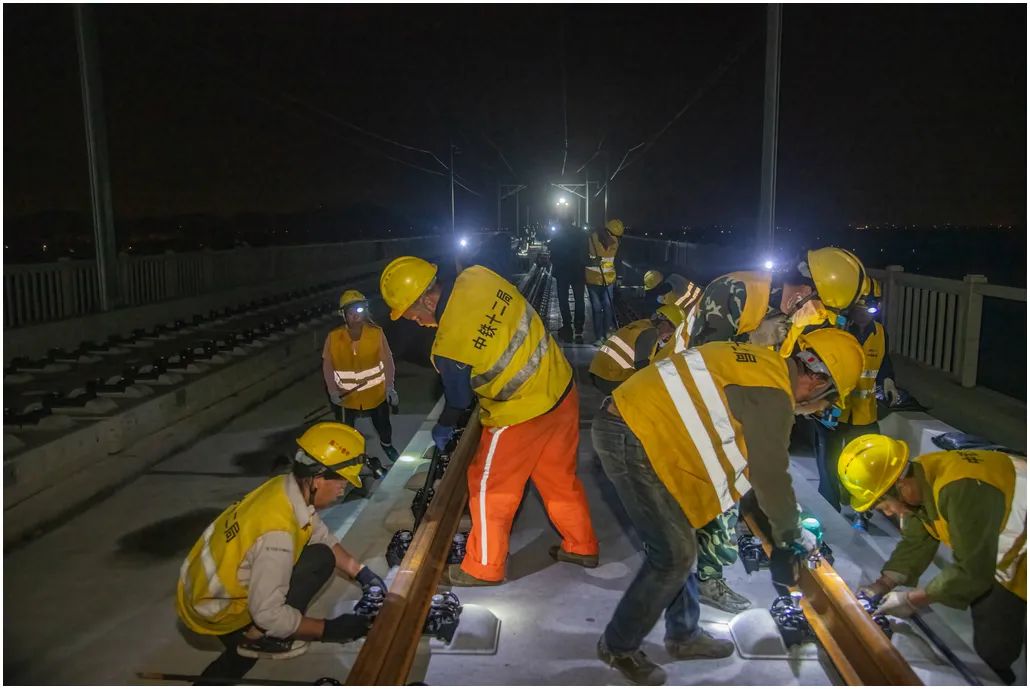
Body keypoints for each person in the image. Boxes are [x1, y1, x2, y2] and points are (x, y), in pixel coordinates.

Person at [591, 329, 864, 684]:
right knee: (672, 555)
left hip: (641, 432)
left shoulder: (762, 363)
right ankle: (617, 645)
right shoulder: (773, 393)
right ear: (815, 381)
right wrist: (790, 536)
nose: (814, 410)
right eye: (825, 401)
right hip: (632, 436)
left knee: (684, 537)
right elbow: (770, 475)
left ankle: (684, 635)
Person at [379, 256, 598, 585]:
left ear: (426, 299)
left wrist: (443, 427)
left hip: (520, 413)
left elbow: (459, 401)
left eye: (413, 314)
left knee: (487, 488)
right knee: (558, 480)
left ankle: (483, 567)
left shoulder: (448, 345)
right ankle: (582, 546)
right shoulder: (479, 275)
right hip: (561, 390)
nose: (417, 322)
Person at [177, 423, 386, 681]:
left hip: (201, 583)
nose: (344, 489)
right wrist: (328, 630)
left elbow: (317, 532)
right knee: (247, 653)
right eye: (342, 482)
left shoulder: (284, 486)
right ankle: (253, 646)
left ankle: (261, 636)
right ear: (319, 479)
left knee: (321, 556)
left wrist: (361, 573)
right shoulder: (277, 534)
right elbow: (268, 614)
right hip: (215, 607)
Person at [838, 436, 1027, 684]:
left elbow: (972, 571)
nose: (887, 512)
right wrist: (882, 585)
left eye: (884, 504)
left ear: (900, 484)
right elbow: (918, 538)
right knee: (992, 638)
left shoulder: (961, 489)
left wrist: (912, 599)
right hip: (1006, 551)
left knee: (994, 639)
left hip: (1021, 547)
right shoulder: (922, 478)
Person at [812, 279, 899, 529]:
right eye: (863, 307)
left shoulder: (880, 332)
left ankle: (863, 512)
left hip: (864, 413)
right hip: (831, 411)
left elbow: (884, 362)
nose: (868, 312)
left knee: (867, 463)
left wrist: (889, 381)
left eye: (873, 307)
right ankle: (828, 513)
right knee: (828, 463)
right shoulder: (834, 330)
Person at [687, 247, 867, 355]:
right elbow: (702, 362)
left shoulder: (789, 321)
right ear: (805, 292)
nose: (819, 319)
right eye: (821, 312)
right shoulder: (735, 291)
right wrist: (752, 341)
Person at [322, 290, 400, 463]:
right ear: (343, 314)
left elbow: (387, 361)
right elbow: (327, 365)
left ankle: (387, 445)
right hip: (345, 396)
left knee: (383, 425)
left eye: (359, 310)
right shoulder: (333, 338)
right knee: (345, 430)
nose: (355, 316)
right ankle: (347, 457)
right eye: (350, 312)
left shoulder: (376, 333)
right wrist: (332, 391)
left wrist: (390, 388)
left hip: (375, 394)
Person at [588, 304, 684, 395]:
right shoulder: (650, 333)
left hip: (600, 373)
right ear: (664, 323)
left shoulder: (643, 324)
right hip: (610, 379)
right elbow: (642, 366)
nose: (670, 335)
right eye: (672, 331)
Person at [548, 205, 588, 343]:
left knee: (563, 300)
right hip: (578, 271)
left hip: (562, 272)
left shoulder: (557, 235)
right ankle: (579, 327)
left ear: (560, 221)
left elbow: (552, 251)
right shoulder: (581, 233)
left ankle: (567, 326)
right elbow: (585, 251)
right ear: (572, 220)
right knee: (579, 300)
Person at [586, 218, 624, 345]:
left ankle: (607, 333)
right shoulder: (591, 239)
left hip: (609, 280)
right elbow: (582, 257)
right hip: (593, 280)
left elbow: (617, 260)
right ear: (607, 232)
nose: (615, 238)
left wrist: (619, 278)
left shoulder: (616, 242)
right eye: (613, 235)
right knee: (597, 308)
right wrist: (591, 261)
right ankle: (599, 337)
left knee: (608, 306)